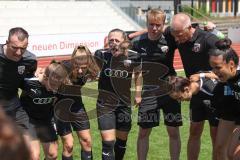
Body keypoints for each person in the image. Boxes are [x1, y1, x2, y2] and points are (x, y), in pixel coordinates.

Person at [131, 9, 182, 160]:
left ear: (163, 25)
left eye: (158, 25)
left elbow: (184, 31)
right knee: (144, 132)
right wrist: (138, 94)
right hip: (148, 93)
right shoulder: (138, 43)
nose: (154, 28)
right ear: (146, 23)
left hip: (170, 91)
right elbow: (137, 72)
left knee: (173, 132)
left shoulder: (170, 39)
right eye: (151, 24)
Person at [169, 13, 220, 160]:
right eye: (175, 35)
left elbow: (228, 64)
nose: (177, 39)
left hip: (214, 92)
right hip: (195, 91)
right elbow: (154, 30)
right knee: (194, 131)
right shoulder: (176, 32)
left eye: (179, 35)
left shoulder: (208, 39)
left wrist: (203, 75)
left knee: (215, 134)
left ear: (189, 27)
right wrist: (132, 35)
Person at [95, 29, 142, 160]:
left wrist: (138, 94)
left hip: (124, 104)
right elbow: (92, 71)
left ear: (124, 42)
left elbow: (138, 74)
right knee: (108, 142)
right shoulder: (101, 54)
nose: (114, 43)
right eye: (111, 40)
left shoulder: (134, 56)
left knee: (121, 141)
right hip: (105, 104)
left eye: (117, 40)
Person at [55, 45, 99, 160]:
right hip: (60, 107)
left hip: (77, 105)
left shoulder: (91, 69)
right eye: (77, 66)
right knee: (68, 145)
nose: (80, 71)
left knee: (87, 141)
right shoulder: (63, 68)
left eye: (83, 67)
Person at [20, 62, 70, 160]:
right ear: (46, 77)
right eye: (53, 85)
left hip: (45, 120)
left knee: (53, 155)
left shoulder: (60, 86)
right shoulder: (28, 82)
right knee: (34, 156)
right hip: (28, 120)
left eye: (58, 85)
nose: (55, 88)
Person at [0, 27, 37, 158]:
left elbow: (27, 82)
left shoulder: (30, 60)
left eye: (23, 48)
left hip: (16, 108)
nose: (18, 52)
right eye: (14, 47)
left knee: (32, 153)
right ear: (6, 42)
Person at [209, 38, 240, 160]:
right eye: (212, 67)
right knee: (220, 149)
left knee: (234, 154)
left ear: (231, 64)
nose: (214, 72)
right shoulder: (229, 76)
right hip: (234, 111)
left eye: (217, 67)